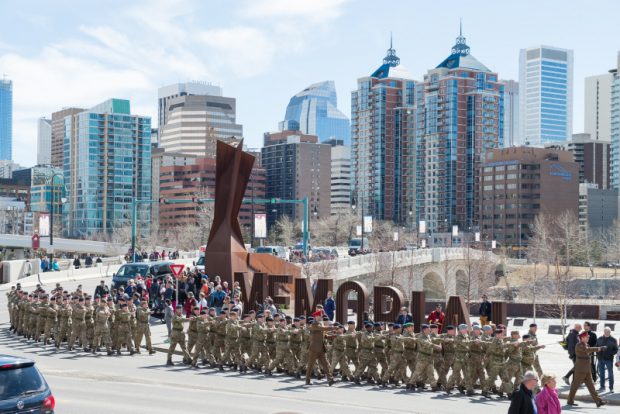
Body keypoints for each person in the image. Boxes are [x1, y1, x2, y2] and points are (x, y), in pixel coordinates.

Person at [566, 331, 607, 407]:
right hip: (580, 370)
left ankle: (598, 401)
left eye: (588, 337)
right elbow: (587, 350)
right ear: (582, 338)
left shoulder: (586, 345)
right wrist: (599, 348)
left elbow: (588, 350)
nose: (588, 338)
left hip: (587, 370)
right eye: (586, 337)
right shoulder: (579, 345)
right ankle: (570, 400)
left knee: (591, 387)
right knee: (575, 386)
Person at [305, 317, 336, 386]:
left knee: (326, 364)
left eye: (321, 316)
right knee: (311, 365)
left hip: (321, 349)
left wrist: (331, 336)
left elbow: (323, 335)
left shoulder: (320, 324)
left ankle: (330, 379)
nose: (321, 317)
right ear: (316, 317)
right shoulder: (314, 325)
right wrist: (333, 327)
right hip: (314, 349)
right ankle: (307, 380)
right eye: (319, 316)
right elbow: (323, 329)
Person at [596, 327, 618, 392]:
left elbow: (616, 350)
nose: (606, 333)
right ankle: (602, 387)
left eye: (608, 332)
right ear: (604, 332)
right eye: (605, 331)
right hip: (600, 359)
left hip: (609, 359)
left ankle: (611, 388)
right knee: (602, 374)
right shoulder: (599, 339)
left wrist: (609, 353)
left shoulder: (613, 339)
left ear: (610, 332)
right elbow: (596, 347)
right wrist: (598, 351)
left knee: (610, 374)